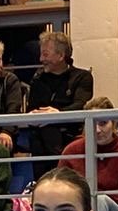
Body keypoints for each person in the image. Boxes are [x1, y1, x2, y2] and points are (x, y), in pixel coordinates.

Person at [26, 29, 93, 157]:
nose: (41, 59)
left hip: (71, 135)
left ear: (61, 56)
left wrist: (57, 114)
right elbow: (31, 110)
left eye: (45, 54)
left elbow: (80, 106)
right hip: (41, 140)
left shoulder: (82, 77)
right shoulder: (37, 80)